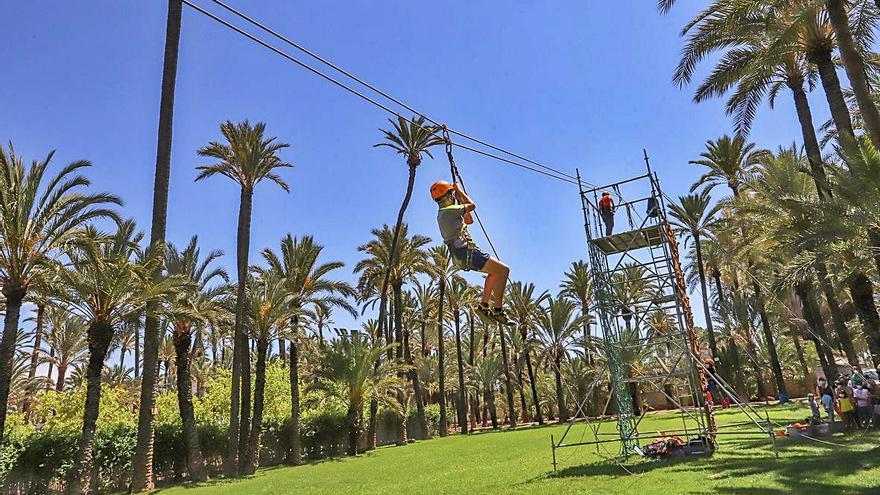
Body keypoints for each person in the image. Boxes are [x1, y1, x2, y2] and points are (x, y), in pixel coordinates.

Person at [431, 180, 511, 325]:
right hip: (466, 252)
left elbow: (469, 220)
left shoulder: (446, 213)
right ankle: (498, 310)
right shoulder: (447, 211)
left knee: (494, 273)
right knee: (504, 270)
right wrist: (460, 191)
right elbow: (472, 206)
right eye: (452, 194)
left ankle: (484, 306)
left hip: (462, 254)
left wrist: (458, 197)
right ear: (448, 196)